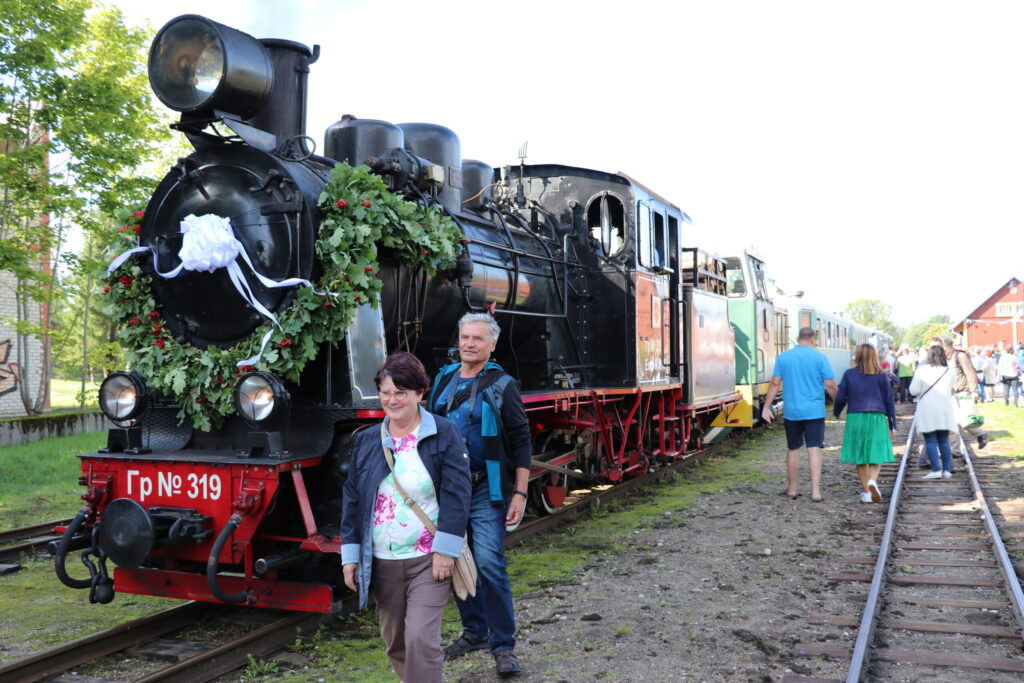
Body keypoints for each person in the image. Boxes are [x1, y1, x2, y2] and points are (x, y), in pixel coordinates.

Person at [341, 352, 471, 683]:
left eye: (400, 392)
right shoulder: (368, 440)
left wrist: (446, 549)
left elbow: (457, 494)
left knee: (420, 640)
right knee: (396, 642)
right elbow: (354, 498)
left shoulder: (444, 434)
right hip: (382, 561)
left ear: (418, 393)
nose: (392, 400)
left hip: (429, 560)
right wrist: (350, 556)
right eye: (385, 393)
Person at [427, 313, 531, 677]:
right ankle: (475, 632)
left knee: (488, 562)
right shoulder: (443, 378)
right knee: (455, 558)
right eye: (464, 337)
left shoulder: (503, 384)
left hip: (487, 486)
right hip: (449, 487)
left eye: (477, 338)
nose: (469, 343)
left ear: (492, 345)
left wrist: (520, 491)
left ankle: (504, 645)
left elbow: (520, 440)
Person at [761, 326, 838, 502]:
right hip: (814, 411)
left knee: (793, 448)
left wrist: (766, 407)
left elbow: (774, 383)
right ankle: (815, 492)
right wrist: (837, 404)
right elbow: (830, 385)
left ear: (798, 338)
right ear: (812, 339)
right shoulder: (820, 357)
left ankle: (792, 489)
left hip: (792, 411)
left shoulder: (784, 357)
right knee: (814, 448)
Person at [834, 344, 897, 503]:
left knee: (860, 456)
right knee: (876, 453)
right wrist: (892, 424)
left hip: (856, 417)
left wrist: (837, 412)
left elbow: (841, 397)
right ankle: (872, 482)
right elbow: (889, 402)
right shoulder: (882, 376)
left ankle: (867, 493)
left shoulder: (849, 374)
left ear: (858, 356)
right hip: (877, 417)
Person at [910, 345, 959, 478]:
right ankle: (947, 470)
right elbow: (952, 387)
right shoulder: (949, 371)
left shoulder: (922, 370)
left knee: (930, 440)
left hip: (927, 409)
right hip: (945, 408)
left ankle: (936, 470)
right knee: (944, 440)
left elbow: (913, 390)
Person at [943, 338, 988, 450]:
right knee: (951, 421)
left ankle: (980, 433)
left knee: (964, 421)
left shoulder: (960, 356)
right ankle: (955, 449)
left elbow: (970, 373)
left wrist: (974, 391)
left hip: (963, 391)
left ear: (948, 347)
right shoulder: (944, 359)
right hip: (951, 394)